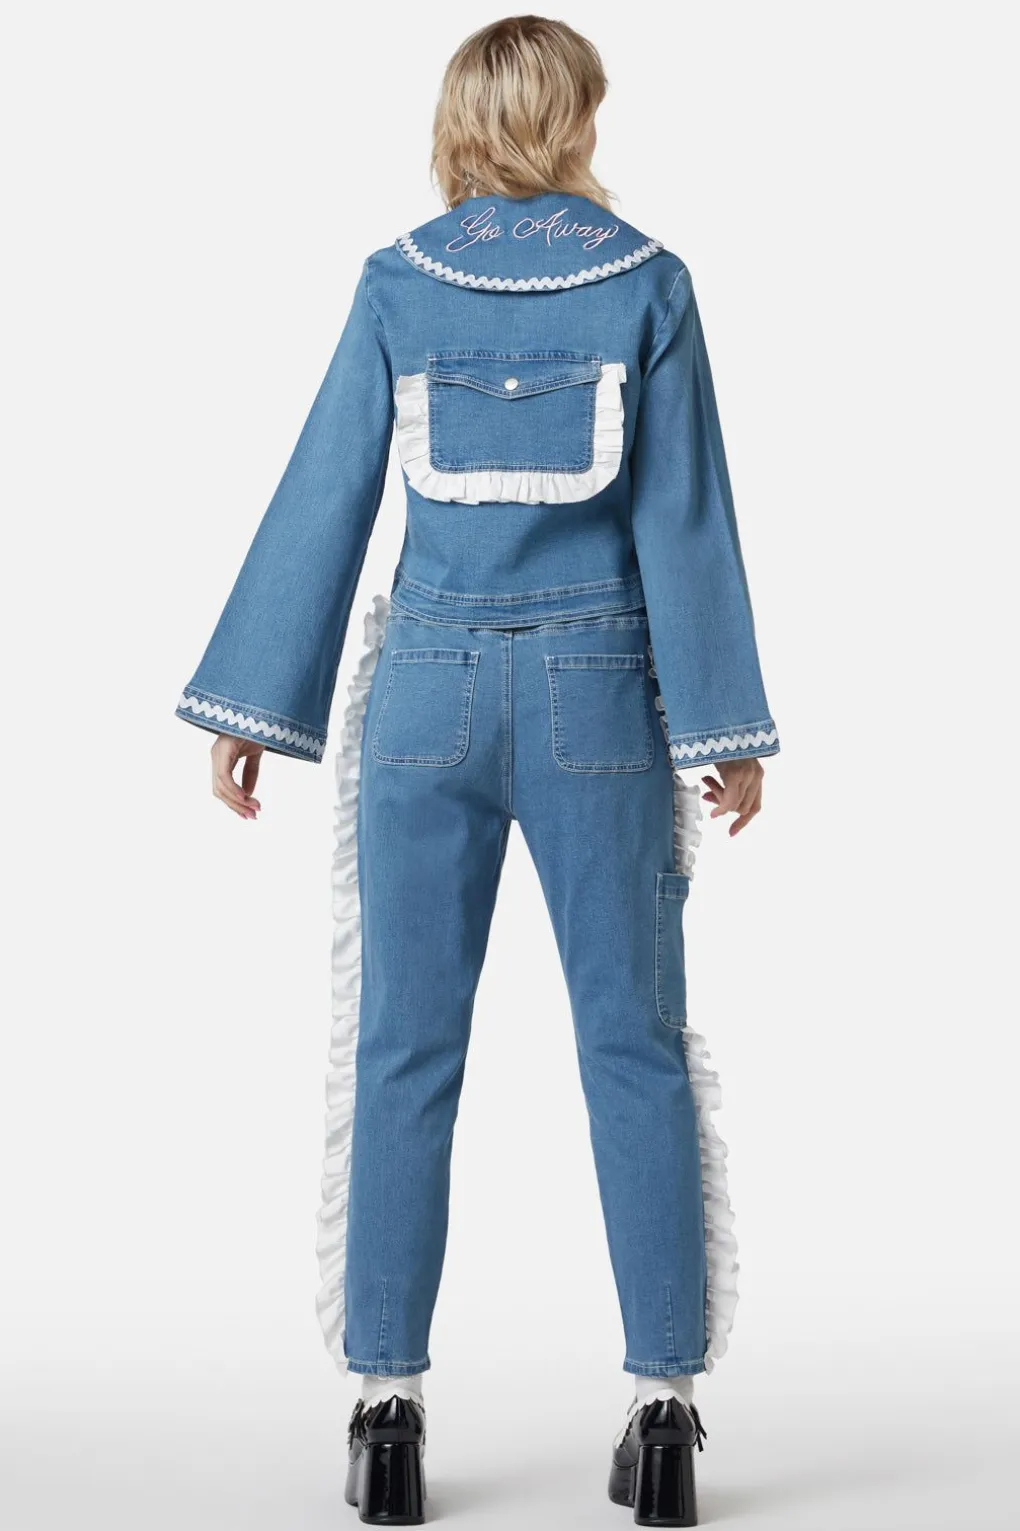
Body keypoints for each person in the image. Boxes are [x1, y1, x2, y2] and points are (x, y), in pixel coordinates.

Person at [176, 16, 779, 1526]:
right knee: (634, 1043)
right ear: (574, 119)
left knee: (404, 1049)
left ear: (459, 119)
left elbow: (329, 488)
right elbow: (685, 516)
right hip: (602, 696)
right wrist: (723, 726)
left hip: (426, 691)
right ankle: (664, 1417)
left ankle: (385, 1415)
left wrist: (255, 701)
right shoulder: (648, 281)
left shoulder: (399, 279)